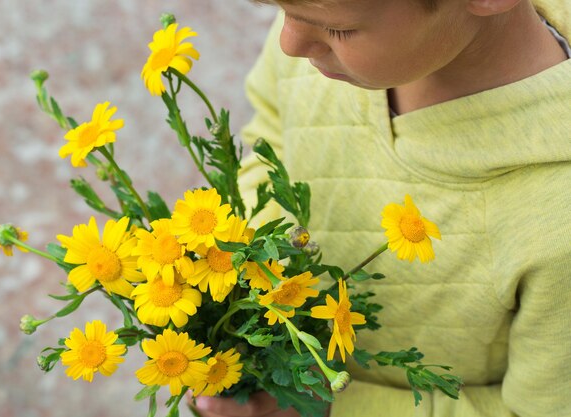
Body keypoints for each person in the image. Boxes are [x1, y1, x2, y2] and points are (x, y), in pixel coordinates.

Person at [192, 0, 571, 416]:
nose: (289, 42)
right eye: (282, 9)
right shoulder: (321, 37)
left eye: (339, 30)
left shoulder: (557, 219)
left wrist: (317, 408)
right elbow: (271, 134)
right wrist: (228, 273)